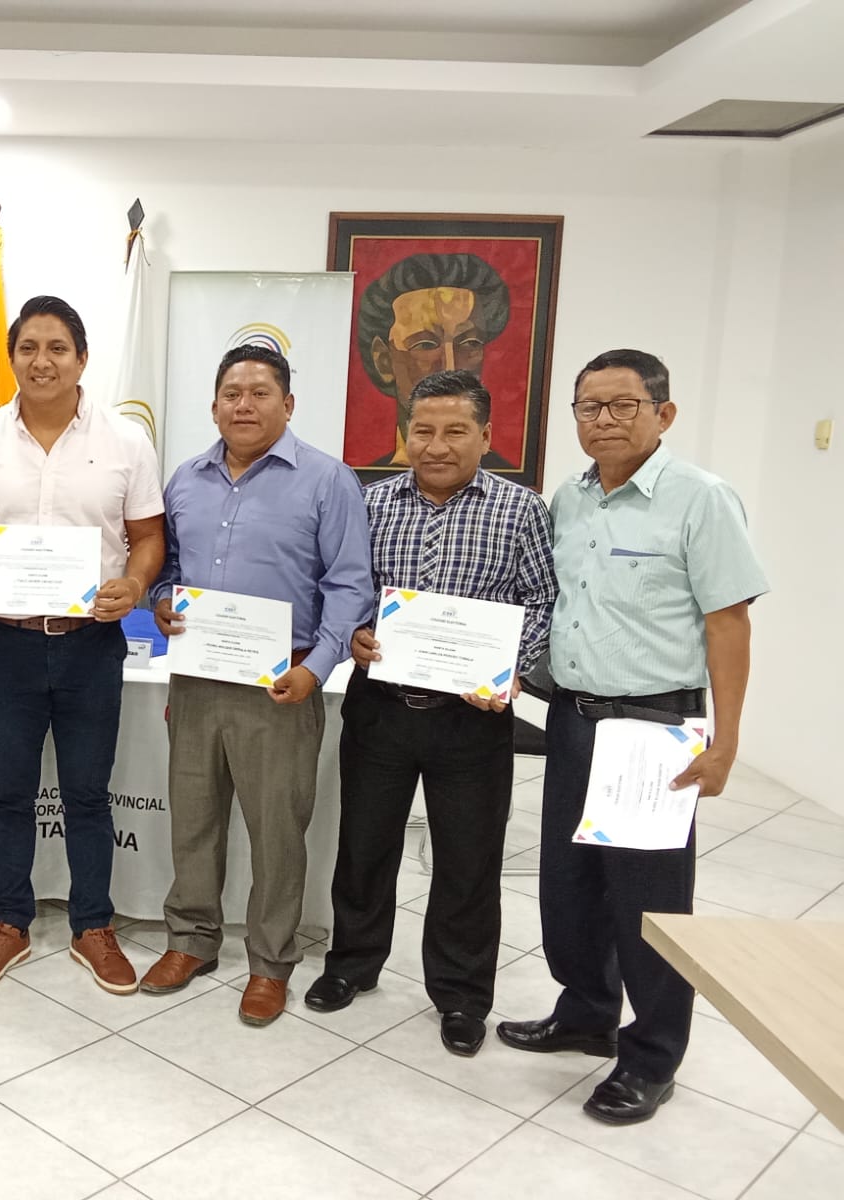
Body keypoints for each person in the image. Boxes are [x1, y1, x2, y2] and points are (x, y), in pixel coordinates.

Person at [497, 349, 766, 1124]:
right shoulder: (569, 498)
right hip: (572, 717)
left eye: (624, 405)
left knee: (648, 900)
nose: (605, 419)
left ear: (663, 414)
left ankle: (651, 1056)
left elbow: (729, 623)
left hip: (653, 726)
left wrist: (725, 741)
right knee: (569, 882)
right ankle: (585, 1012)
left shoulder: (701, 499)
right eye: (590, 406)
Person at [304, 369, 557, 1055]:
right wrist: (355, 633)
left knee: (467, 860)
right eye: (423, 431)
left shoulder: (522, 511)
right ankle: (352, 964)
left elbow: (543, 600)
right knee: (364, 845)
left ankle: (461, 995)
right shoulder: (371, 504)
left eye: (455, 431)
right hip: (381, 708)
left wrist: (508, 667)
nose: (437, 446)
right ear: (405, 435)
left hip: (471, 719)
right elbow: (346, 588)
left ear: (486, 435)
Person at [0, 294, 165, 994]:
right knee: (8, 793)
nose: (42, 361)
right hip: (4, 643)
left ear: (82, 359)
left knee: (88, 795)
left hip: (90, 643)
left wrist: (135, 582)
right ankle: (8, 922)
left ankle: (92, 926)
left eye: (57, 348)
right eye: (29, 348)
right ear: (12, 358)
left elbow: (148, 537)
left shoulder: (127, 441)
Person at [141, 344, 370, 1026]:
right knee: (194, 818)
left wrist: (316, 668)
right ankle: (191, 940)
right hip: (199, 677)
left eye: (260, 393)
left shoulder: (328, 480)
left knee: (277, 832)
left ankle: (271, 962)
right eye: (232, 394)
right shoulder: (185, 479)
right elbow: (167, 568)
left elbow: (349, 586)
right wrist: (160, 600)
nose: (244, 405)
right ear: (214, 406)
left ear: (288, 404)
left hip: (282, 683)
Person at [355, 253, 514, 470]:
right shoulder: (366, 490)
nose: (450, 366)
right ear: (383, 360)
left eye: (469, 343)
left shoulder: (511, 491)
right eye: (425, 345)